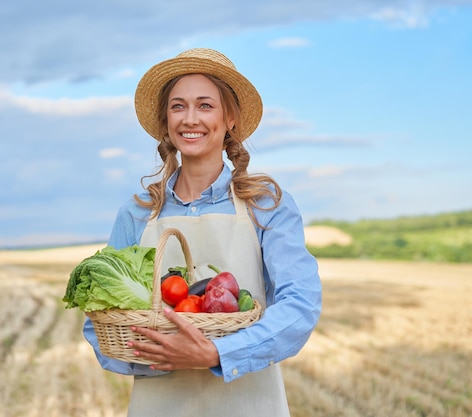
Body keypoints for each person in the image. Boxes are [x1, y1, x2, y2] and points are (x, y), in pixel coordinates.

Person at [83, 48, 322, 416]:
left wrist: (214, 354)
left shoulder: (267, 205)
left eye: (205, 105)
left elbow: (300, 305)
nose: (190, 118)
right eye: (178, 106)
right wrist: (157, 356)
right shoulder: (136, 213)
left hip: (248, 403)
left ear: (231, 119)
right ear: (165, 121)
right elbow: (98, 320)